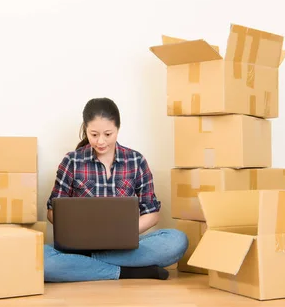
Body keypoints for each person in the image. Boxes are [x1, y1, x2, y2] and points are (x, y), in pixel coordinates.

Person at [44, 97, 189, 282]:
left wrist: (124, 234)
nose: (101, 141)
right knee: (43, 261)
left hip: (123, 248)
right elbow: (52, 212)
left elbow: (151, 214)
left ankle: (87, 263)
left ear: (118, 129)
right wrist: (80, 236)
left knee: (177, 241)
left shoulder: (136, 161)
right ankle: (129, 272)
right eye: (94, 134)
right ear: (85, 129)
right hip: (80, 246)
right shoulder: (72, 161)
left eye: (108, 134)